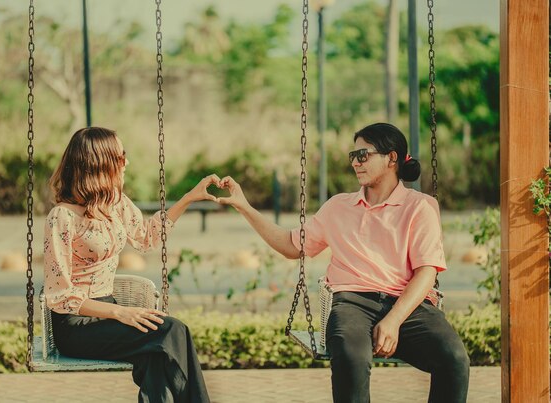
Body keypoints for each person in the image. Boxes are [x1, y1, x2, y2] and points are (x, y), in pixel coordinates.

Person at [216, 122, 470, 403]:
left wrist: (393, 321)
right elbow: (291, 245)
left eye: (364, 155)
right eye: (353, 156)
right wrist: (244, 206)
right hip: (352, 303)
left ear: (392, 158)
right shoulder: (338, 206)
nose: (355, 163)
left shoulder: (419, 207)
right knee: (351, 358)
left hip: (408, 306)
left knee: (454, 360)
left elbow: (426, 272)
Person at [43, 127, 216, 403]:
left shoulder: (115, 203)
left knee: (155, 356)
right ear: (101, 163)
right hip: (77, 324)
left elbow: (147, 237)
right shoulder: (61, 217)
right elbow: (60, 296)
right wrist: (120, 313)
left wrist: (188, 198)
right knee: (172, 330)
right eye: (121, 156)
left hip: (110, 314)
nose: (127, 162)